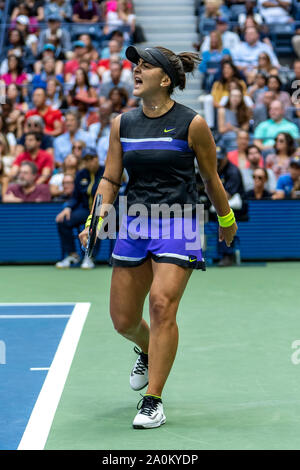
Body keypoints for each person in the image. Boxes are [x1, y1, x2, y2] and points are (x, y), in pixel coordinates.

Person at [79, 45, 237, 429]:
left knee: (162, 304)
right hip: (133, 221)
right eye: (135, 65)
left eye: (145, 66)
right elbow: (111, 178)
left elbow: (210, 177)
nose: (136, 70)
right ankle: (147, 350)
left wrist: (226, 217)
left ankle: (153, 399)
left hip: (179, 220)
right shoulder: (122, 124)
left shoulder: (192, 124)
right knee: (122, 319)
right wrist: (95, 216)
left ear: (165, 79)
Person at [56, 149, 104, 269]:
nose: (89, 162)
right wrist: (68, 207)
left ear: (97, 158)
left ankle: (89, 257)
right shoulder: (81, 174)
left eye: (91, 159)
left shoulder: (106, 172)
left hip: (105, 211)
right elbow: (75, 197)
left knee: (94, 225)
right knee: (62, 220)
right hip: (86, 210)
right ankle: (73, 255)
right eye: (86, 160)